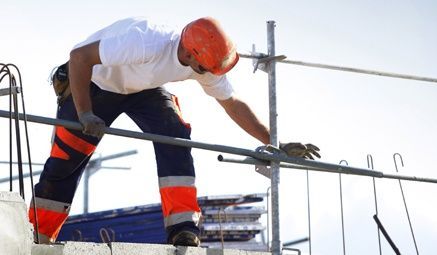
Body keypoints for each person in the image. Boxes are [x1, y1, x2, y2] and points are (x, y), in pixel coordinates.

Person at [29, 17, 320, 246]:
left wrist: (275, 141)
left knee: (174, 136)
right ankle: (37, 236)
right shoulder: (144, 41)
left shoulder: (203, 62)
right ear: (192, 54)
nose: (207, 74)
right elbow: (79, 57)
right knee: (67, 159)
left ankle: (183, 229)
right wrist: (85, 113)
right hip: (93, 83)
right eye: (205, 69)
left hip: (142, 88)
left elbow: (232, 104)